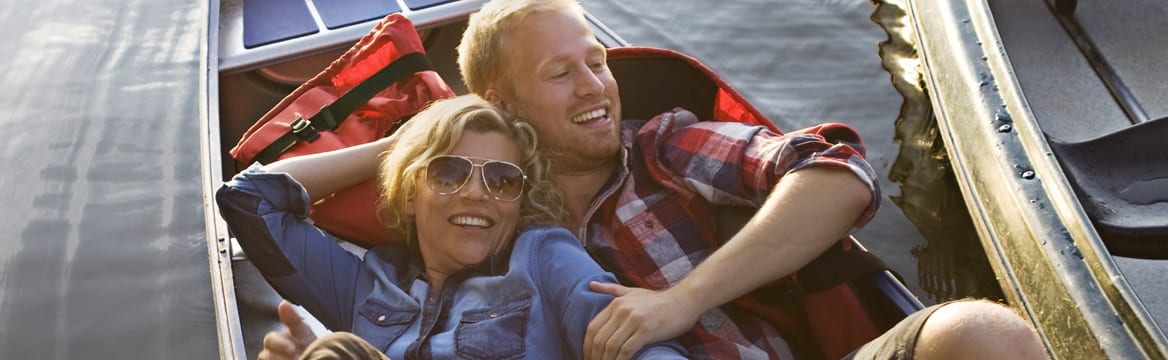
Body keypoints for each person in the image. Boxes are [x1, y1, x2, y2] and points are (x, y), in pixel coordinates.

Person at [264, 0, 1047, 359]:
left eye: (597, 62)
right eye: (562, 74)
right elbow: (266, 192)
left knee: (983, 333)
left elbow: (837, 172)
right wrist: (413, 139)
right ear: (504, 103)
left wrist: (683, 301)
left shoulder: (663, 147)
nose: (597, 87)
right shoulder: (483, 210)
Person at [217, 94, 687, 359]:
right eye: (448, 172)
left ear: (518, 202)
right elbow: (249, 199)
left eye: (502, 179)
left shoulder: (542, 257)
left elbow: (642, 346)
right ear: (409, 194)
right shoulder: (366, 286)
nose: (477, 193)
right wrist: (397, 147)